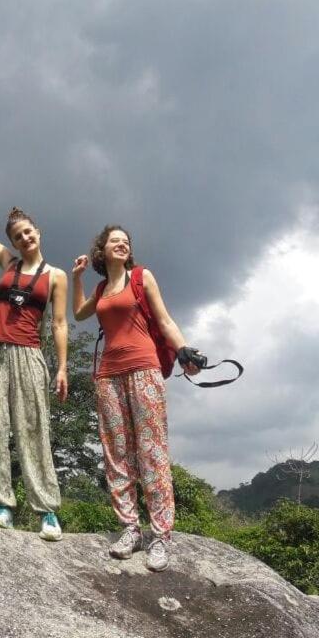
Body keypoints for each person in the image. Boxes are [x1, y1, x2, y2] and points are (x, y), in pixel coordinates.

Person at [71, 225, 200, 571]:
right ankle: (130, 528)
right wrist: (77, 277)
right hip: (108, 375)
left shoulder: (142, 277)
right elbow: (79, 313)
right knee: (117, 454)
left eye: (126, 241)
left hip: (145, 369)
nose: (122, 244)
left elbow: (165, 320)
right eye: (115, 240)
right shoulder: (100, 288)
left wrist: (184, 350)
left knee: (151, 451)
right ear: (102, 249)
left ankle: (160, 535)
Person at [0, 161, 67, 541]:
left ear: (38, 232)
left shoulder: (56, 276)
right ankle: (2, 505)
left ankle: (46, 511)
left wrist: (62, 367)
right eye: (18, 236)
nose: (24, 238)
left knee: (32, 428)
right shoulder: (8, 262)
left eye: (28, 232)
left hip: (28, 352)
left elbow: (58, 323)